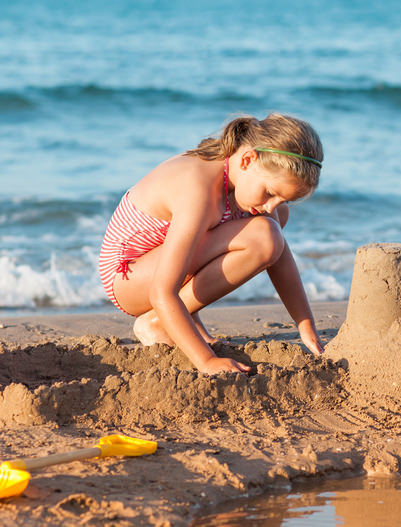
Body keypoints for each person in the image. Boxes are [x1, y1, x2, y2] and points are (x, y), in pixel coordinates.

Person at [98, 113, 325, 374]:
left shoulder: (241, 174)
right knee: (264, 236)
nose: (271, 204)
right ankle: (157, 322)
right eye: (270, 193)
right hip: (128, 277)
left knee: (272, 225)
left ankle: (186, 319)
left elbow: (281, 257)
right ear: (248, 159)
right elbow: (161, 291)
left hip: (163, 261)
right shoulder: (199, 191)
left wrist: (304, 323)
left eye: (282, 198)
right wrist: (206, 361)